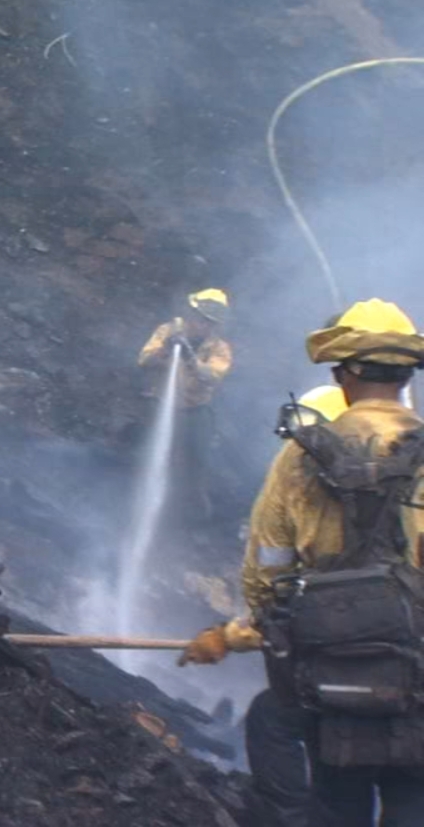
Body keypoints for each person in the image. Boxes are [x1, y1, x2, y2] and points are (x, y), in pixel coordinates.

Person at [181, 299, 424, 825]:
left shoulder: (304, 455)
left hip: (333, 671)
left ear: (342, 373)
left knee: (339, 796)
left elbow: (267, 568)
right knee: (412, 797)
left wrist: (255, 634)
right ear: (407, 373)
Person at [186, 386, 347, 827]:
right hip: (400, 667)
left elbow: (277, 593)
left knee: (278, 721)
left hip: (347, 666)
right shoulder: (403, 484)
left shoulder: (313, 508)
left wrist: (229, 636)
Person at [137, 289, 233, 515]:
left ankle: (194, 514)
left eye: (211, 323)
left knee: (195, 463)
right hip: (159, 405)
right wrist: (165, 349)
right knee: (150, 455)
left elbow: (211, 377)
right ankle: (142, 503)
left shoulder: (219, 348)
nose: (205, 326)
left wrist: (190, 357)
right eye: (202, 320)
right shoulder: (167, 331)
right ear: (191, 314)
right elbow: (144, 360)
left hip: (194, 412)